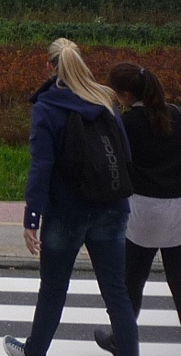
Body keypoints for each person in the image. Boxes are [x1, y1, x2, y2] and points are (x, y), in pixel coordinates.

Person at [3, 39, 138, 356]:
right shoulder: (104, 99)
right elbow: (125, 155)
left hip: (66, 212)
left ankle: (34, 351)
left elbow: (42, 166)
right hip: (112, 207)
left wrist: (32, 217)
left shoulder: (47, 107)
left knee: (52, 290)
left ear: (49, 67)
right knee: (117, 293)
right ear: (81, 62)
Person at [92, 63, 181, 354]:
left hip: (142, 212)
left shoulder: (126, 124)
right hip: (178, 210)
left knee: (131, 282)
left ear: (127, 95)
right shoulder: (176, 115)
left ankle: (121, 340)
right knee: (179, 282)